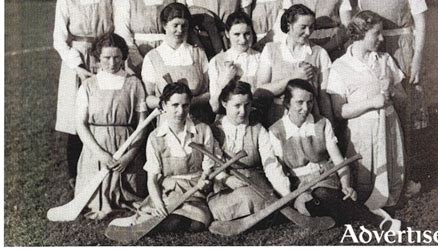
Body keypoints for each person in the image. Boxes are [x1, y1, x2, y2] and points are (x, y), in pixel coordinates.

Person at [267, 79, 399, 230]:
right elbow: (280, 173)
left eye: (310, 102)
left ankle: (375, 219)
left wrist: (346, 186)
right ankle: (346, 210)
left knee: (322, 194)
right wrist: (294, 197)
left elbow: (338, 160)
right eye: (299, 102)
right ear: (287, 103)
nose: (306, 108)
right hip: (299, 185)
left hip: (325, 178)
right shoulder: (276, 131)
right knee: (311, 205)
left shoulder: (322, 123)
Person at [358, 0, 427, 196]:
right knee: (380, 113)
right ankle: (382, 176)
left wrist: (418, 59)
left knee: (405, 111)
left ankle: (408, 176)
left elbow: (420, 22)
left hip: (402, 49)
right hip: (375, 51)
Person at [53, 0, 121, 189]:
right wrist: (77, 66)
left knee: (107, 112)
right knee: (77, 116)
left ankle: (107, 170)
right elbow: (59, 39)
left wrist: (113, 59)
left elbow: (120, 28)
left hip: (107, 57)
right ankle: (74, 174)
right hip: (78, 59)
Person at [327, 11, 406, 213]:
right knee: (364, 188)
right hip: (361, 132)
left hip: (388, 126)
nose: (381, 38)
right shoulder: (340, 66)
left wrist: (392, 91)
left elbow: (403, 98)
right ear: (360, 33)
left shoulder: (384, 59)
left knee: (393, 181)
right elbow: (340, 111)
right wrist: (373, 102)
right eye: (377, 33)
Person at [75, 33, 148, 219]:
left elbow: (142, 125)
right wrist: (100, 153)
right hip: (96, 148)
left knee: (129, 192)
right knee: (93, 195)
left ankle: (123, 198)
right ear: (98, 58)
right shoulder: (88, 85)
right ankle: (99, 201)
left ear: (123, 56)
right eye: (106, 58)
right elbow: (80, 124)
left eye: (117, 57)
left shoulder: (134, 83)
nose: (112, 62)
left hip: (127, 145)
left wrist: (128, 156)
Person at [132, 82, 216, 232]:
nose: (180, 111)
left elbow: (209, 166)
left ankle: (173, 220)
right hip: (168, 191)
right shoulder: (155, 137)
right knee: (173, 220)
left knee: (198, 223)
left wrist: (205, 179)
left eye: (185, 105)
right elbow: (152, 179)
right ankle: (168, 218)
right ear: (164, 105)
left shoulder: (203, 130)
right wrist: (158, 204)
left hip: (195, 191)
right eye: (175, 105)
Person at [208, 80, 288, 222]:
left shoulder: (258, 129)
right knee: (245, 199)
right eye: (237, 106)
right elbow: (213, 165)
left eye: (247, 105)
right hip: (226, 186)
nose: (243, 111)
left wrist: (285, 194)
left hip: (255, 182)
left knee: (263, 197)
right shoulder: (214, 131)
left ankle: (254, 215)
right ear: (224, 104)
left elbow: (271, 165)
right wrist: (226, 179)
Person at [256, 4, 333, 127]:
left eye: (311, 27)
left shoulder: (319, 53)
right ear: (289, 25)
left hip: (309, 120)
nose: (308, 32)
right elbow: (260, 92)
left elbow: (324, 98)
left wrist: (330, 127)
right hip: (276, 119)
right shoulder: (271, 50)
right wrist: (293, 78)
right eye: (303, 27)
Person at [141, 3, 211, 122]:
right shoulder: (152, 57)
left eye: (184, 26)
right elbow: (148, 98)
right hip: (167, 123)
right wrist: (166, 103)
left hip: (198, 121)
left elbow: (209, 92)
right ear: (164, 25)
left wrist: (191, 102)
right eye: (175, 25)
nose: (180, 30)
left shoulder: (198, 54)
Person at [208, 12, 260, 113]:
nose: (243, 39)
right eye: (237, 34)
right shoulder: (216, 61)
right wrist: (225, 80)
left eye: (247, 34)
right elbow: (214, 107)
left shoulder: (260, 58)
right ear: (227, 34)